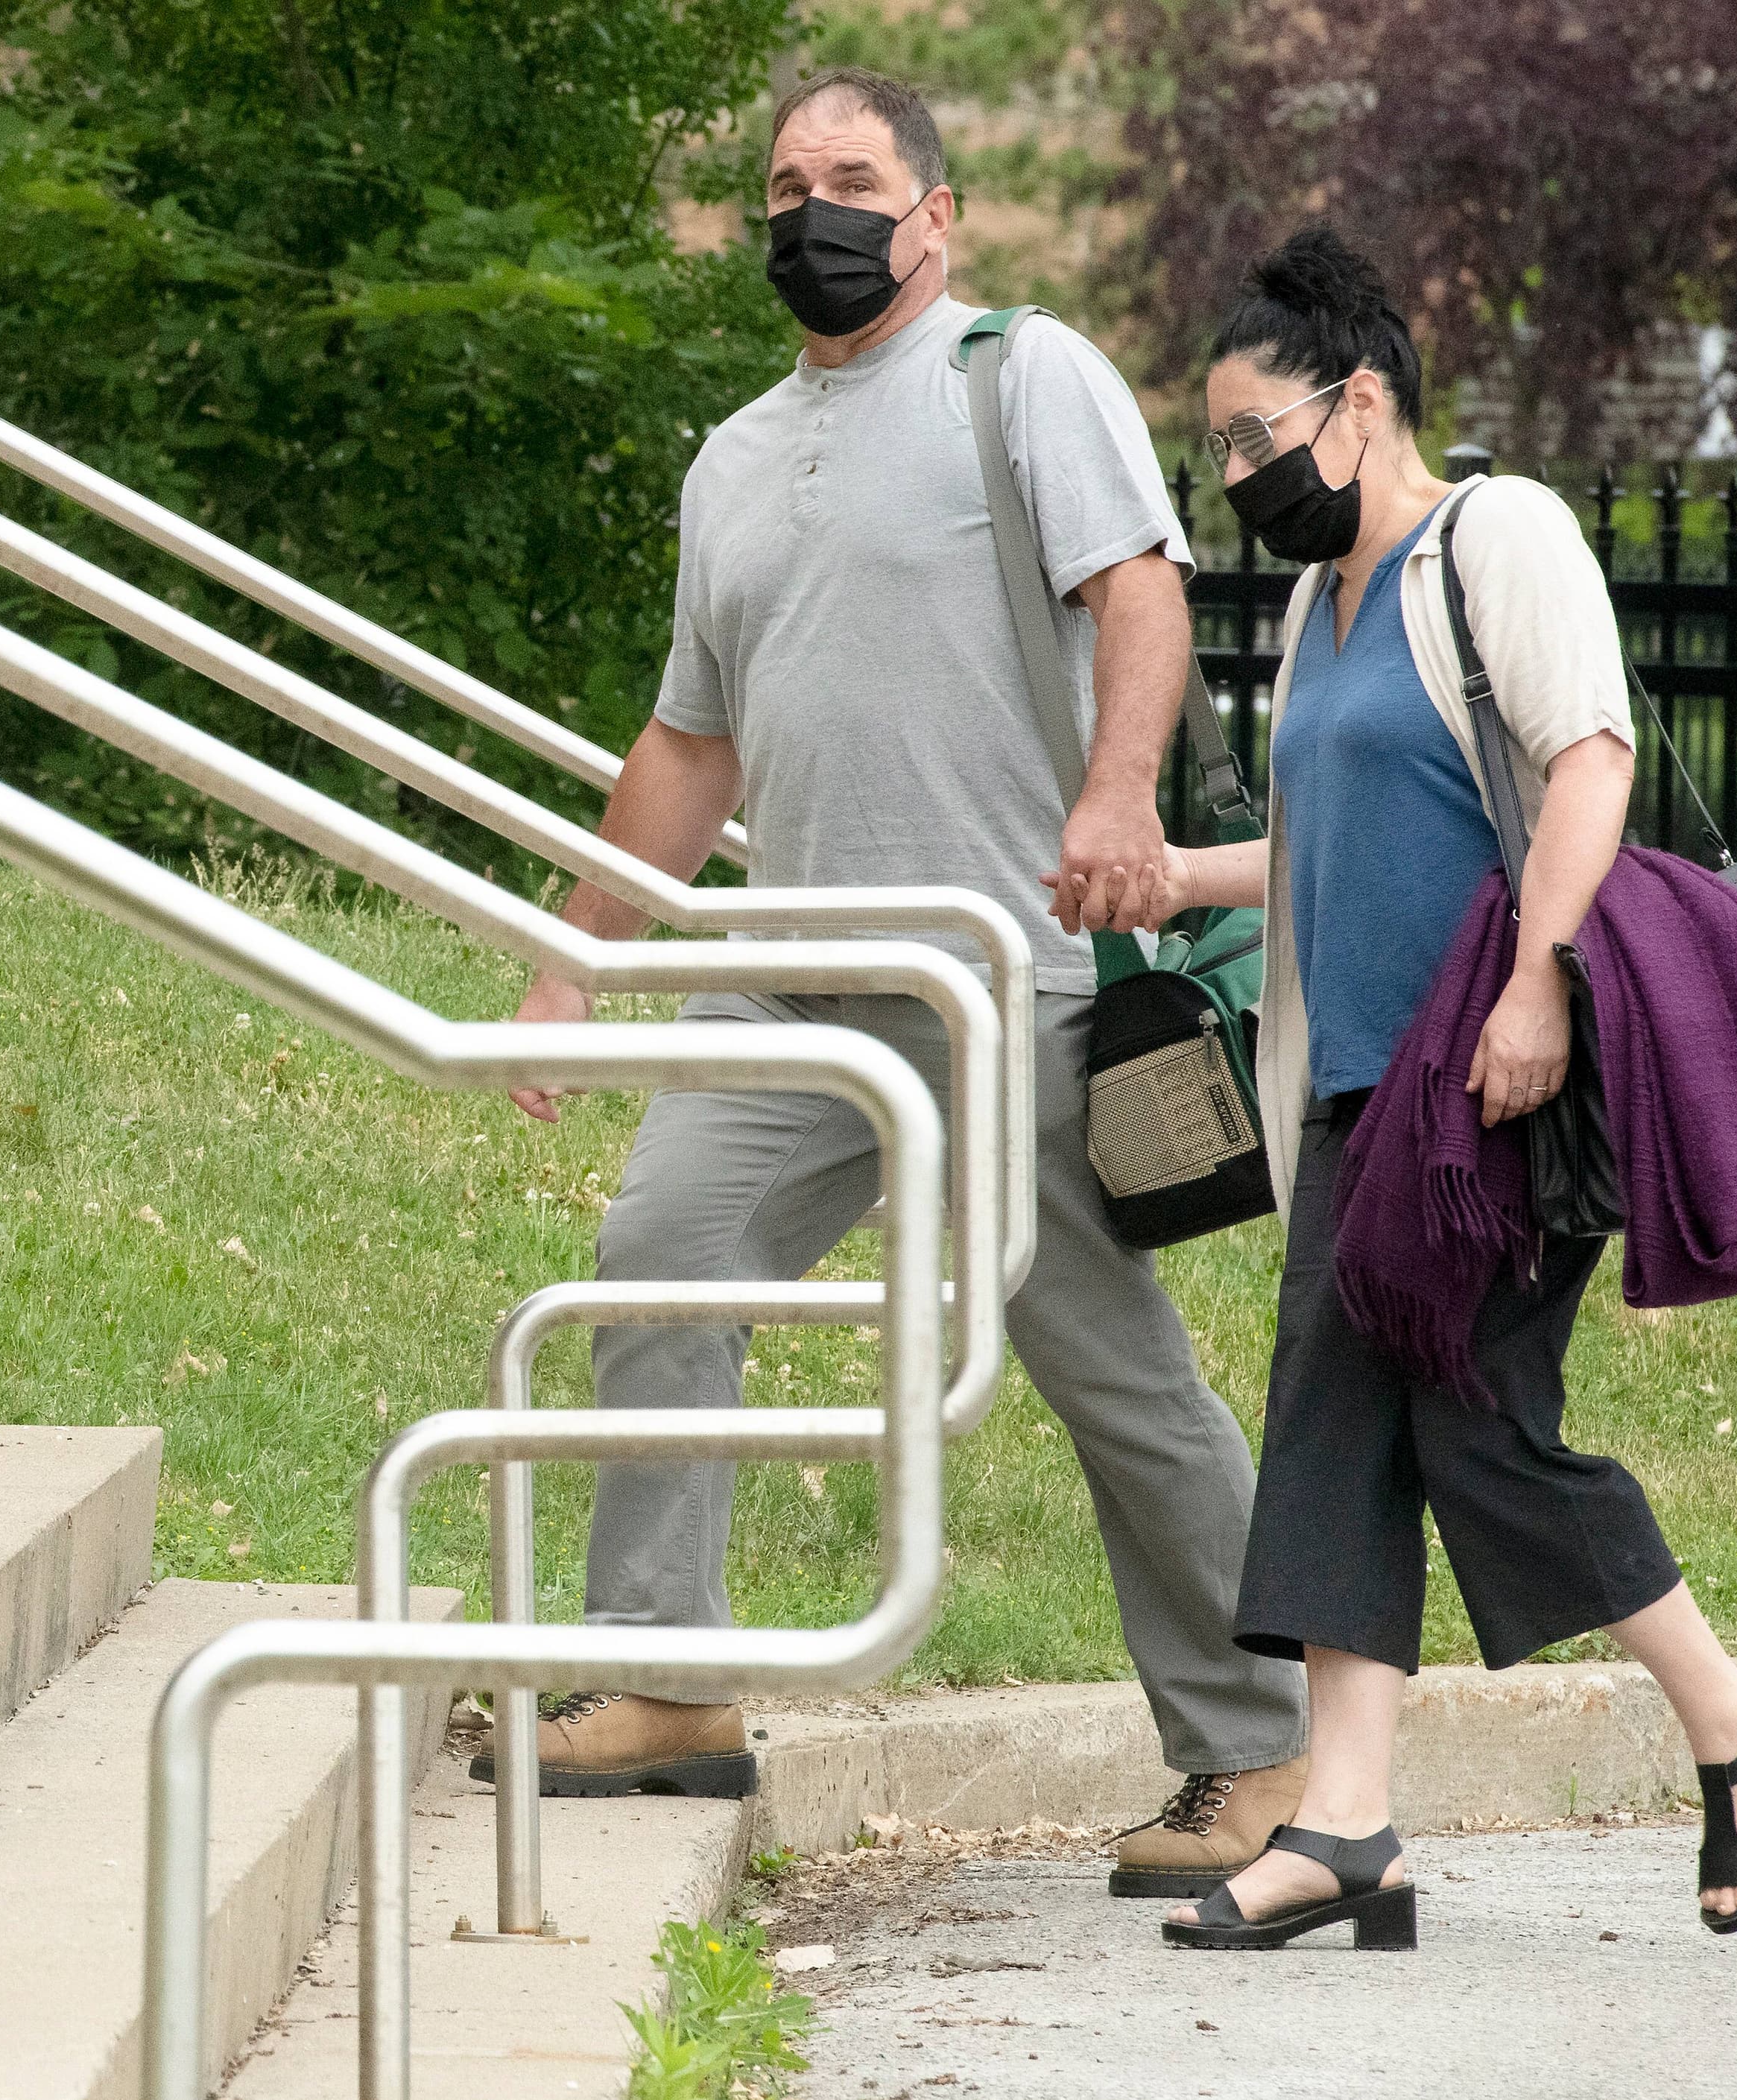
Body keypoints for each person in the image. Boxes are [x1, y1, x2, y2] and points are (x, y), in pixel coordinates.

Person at [491, 64, 1310, 1897]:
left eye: (853, 177)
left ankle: (1260, 1750)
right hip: (794, 976)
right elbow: (689, 747)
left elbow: (1141, 588)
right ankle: (667, 1681)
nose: (815, 210)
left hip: (1003, 973)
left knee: (1100, 1356)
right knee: (662, 1251)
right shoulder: (732, 456)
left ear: (935, 213)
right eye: (787, 183)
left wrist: (1117, 794)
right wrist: (571, 962)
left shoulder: (1017, 377)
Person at [1062, 227, 1737, 1949]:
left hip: (1491, 1088)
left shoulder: (1500, 534)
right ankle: (1345, 1825)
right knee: (1340, 1433)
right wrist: (1178, 879)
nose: (1242, 477)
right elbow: (1328, 837)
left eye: (1259, 438)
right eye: (1226, 454)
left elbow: (1592, 760)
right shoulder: (1319, 597)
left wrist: (1539, 981)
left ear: (1359, 402)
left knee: (1480, 1428)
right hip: (1358, 1090)